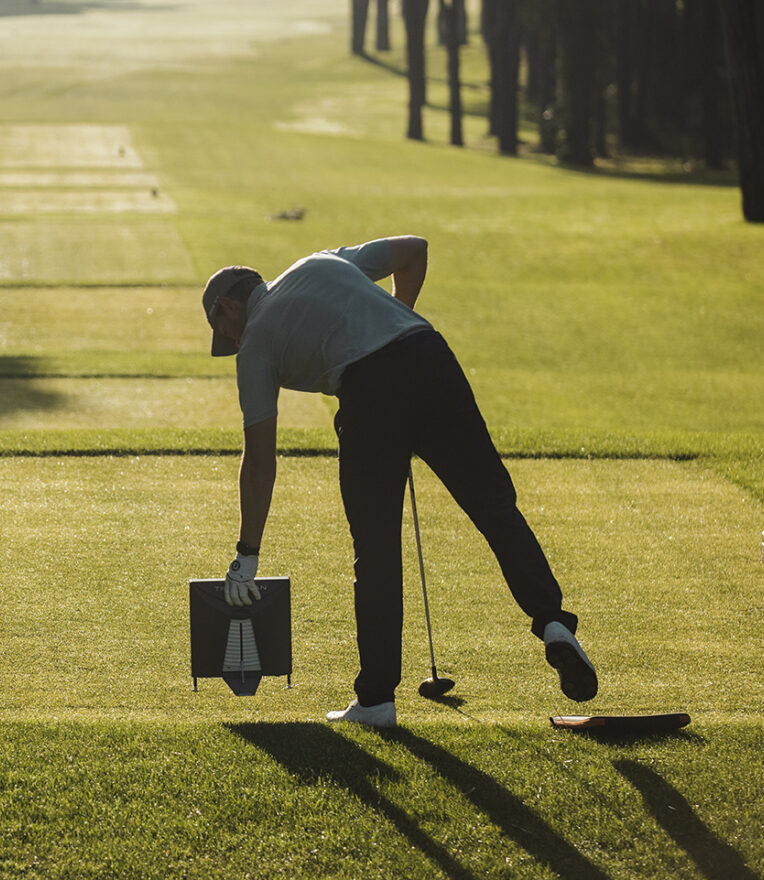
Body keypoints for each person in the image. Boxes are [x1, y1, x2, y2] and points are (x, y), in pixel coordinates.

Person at [201, 236, 596, 727]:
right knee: (494, 507)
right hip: (428, 355)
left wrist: (247, 554)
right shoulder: (319, 262)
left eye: (224, 330)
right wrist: (390, 321)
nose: (231, 342)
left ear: (229, 305)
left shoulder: (254, 344)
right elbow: (413, 249)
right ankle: (553, 621)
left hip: (369, 392)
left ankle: (376, 700)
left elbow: (259, 463)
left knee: (377, 550)